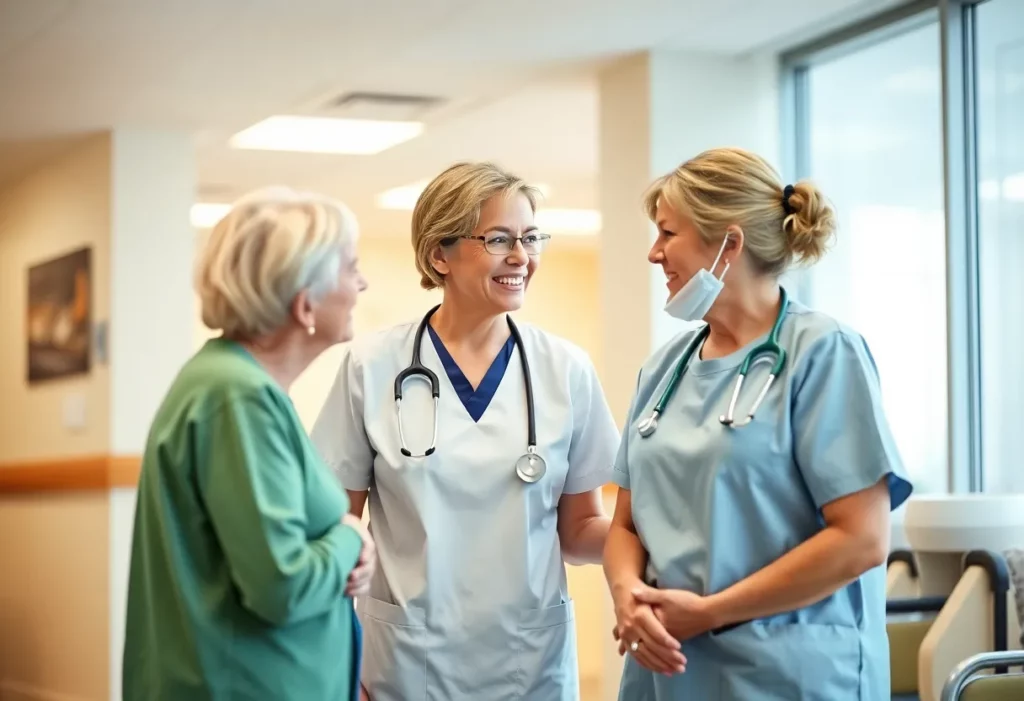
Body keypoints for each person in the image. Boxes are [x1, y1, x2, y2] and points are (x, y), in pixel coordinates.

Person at [603, 147, 914, 700]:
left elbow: (861, 540)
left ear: (730, 242)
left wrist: (710, 612)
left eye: (667, 233)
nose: (654, 253)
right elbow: (626, 526)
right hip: (669, 674)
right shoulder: (664, 369)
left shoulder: (823, 352)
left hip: (790, 677)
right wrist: (628, 595)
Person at [310, 161, 620, 700]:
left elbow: (579, 532)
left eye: (530, 238)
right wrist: (335, 661)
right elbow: (338, 532)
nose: (521, 257)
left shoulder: (565, 369)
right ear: (440, 254)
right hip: (405, 664)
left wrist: (660, 541)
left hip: (531, 664)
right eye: (498, 239)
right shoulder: (372, 366)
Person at [122, 187, 375, 701]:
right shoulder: (238, 399)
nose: (362, 283)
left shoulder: (231, 384)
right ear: (305, 301)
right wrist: (351, 538)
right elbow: (282, 586)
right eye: (351, 268)